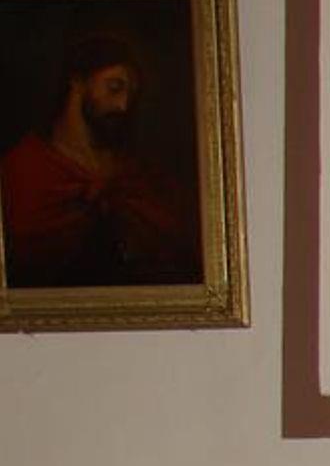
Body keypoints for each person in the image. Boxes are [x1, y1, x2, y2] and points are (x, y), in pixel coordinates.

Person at [0, 33, 197, 289]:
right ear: (77, 82)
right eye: (114, 88)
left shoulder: (138, 177)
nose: (123, 105)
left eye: (131, 95)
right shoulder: (24, 168)